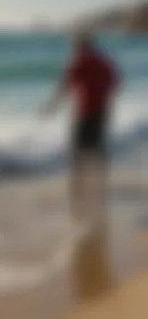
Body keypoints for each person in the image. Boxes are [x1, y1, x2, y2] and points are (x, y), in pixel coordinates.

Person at [42, 31, 120, 226]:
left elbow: (64, 85)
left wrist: (50, 107)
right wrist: (104, 96)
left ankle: (76, 190)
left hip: (84, 111)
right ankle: (101, 185)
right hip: (102, 110)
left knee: (76, 148)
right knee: (98, 146)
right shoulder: (103, 61)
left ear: (79, 45)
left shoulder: (77, 61)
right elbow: (116, 82)